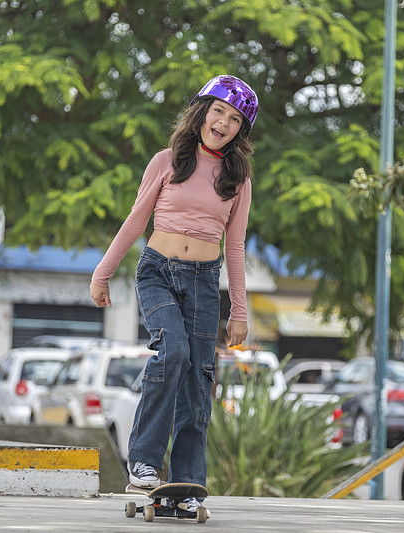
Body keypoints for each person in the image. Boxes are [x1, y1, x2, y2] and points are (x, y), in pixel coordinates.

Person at [90, 75, 258, 511]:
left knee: (200, 381)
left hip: (205, 280)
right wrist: (102, 273)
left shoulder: (237, 177)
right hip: (157, 272)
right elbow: (135, 220)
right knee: (174, 354)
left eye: (235, 118)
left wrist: (239, 311)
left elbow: (235, 246)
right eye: (218, 110)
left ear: (241, 130)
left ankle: (185, 485)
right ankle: (143, 465)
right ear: (201, 111)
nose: (223, 122)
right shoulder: (166, 161)